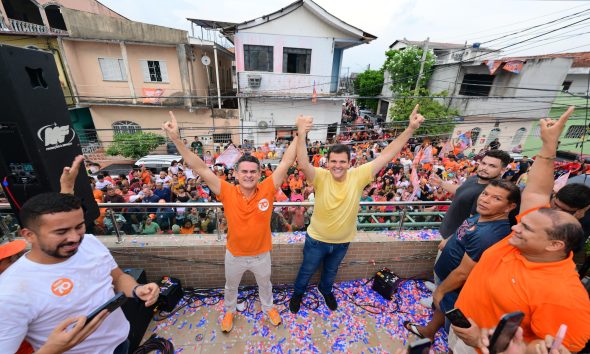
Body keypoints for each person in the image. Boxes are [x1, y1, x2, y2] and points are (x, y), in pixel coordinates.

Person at [450, 107, 590, 353]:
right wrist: (549, 146)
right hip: (462, 329)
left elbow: (560, 347)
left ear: (554, 245)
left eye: (525, 228)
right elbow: (536, 191)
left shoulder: (564, 295)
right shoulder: (533, 232)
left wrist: (485, 341)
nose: (515, 227)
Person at [0, 157, 160, 354]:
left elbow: (117, 277)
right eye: (61, 232)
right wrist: (52, 349)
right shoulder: (9, 293)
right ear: (28, 235)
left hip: (120, 343)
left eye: (79, 226)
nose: (74, 238)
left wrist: (137, 289)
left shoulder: (90, 242)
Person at [163, 111, 298, 333]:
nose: (248, 175)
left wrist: (299, 134)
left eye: (253, 172)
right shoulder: (225, 190)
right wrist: (176, 139)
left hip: (261, 254)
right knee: (230, 286)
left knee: (265, 285)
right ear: (235, 174)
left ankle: (268, 308)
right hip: (234, 254)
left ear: (259, 174)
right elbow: (200, 168)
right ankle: (229, 310)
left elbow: (286, 161)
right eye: (244, 171)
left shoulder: (267, 189)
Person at [289, 104, 425, 314]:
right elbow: (304, 162)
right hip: (317, 240)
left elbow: (387, 155)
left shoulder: (358, 175)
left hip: (343, 242)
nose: (337, 165)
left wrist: (410, 129)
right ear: (328, 162)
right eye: (333, 161)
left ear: (349, 162)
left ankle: (325, 291)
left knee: (331, 272)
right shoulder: (320, 176)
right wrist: (300, 134)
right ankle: (298, 293)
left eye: (342, 161)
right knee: (306, 271)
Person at [403, 180, 519, 340]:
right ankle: (429, 332)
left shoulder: (488, 234)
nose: (485, 199)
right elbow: (465, 228)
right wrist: (450, 239)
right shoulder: (485, 213)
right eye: (485, 193)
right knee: (442, 307)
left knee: (455, 327)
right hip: (448, 276)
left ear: (509, 207)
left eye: (496, 198)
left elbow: (463, 273)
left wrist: (441, 290)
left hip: (456, 284)